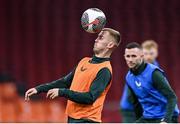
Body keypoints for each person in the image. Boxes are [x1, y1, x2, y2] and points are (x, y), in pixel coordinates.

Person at [25, 28, 121, 123]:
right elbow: (65, 82)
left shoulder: (104, 70)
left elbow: (90, 98)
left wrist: (62, 92)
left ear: (110, 44)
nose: (96, 39)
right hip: (73, 118)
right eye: (97, 37)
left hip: (87, 120)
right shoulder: (84, 61)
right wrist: (39, 89)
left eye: (101, 37)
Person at [124, 42, 179, 123]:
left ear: (141, 56)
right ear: (124, 57)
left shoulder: (154, 73)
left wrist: (166, 120)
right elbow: (136, 103)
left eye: (134, 56)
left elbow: (172, 97)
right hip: (148, 117)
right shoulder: (129, 77)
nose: (130, 60)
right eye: (128, 56)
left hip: (164, 117)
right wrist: (139, 120)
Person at [119, 40, 160, 123]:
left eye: (151, 53)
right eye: (146, 53)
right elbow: (130, 95)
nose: (148, 56)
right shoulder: (136, 68)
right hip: (130, 110)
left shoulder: (156, 69)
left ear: (156, 53)